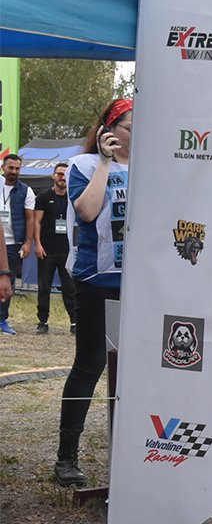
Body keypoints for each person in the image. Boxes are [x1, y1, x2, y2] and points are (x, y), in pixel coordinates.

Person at [53, 99, 131, 488]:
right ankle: (66, 457)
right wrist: (104, 161)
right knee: (90, 365)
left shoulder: (155, 167)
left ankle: (134, 452)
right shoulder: (83, 166)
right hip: (97, 281)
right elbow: (86, 211)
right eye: (130, 126)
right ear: (110, 130)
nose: (137, 134)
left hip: (141, 284)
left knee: (134, 369)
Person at [34, 162, 77, 335]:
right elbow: (36, 221)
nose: (62, 177)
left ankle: (74, 322)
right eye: (59, 174)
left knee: (70, 288)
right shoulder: (44, 197)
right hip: (47, 250)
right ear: (53, 176)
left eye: (65, 174)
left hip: (66, 250)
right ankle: (42, 321)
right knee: (44, 287)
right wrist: (38, 244)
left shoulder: (73, 197)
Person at [0, 153, 35, 335]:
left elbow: (30, 219)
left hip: (12, 244)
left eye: (17, 168)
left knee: (8, 284)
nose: (14, 171)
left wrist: (28, 243)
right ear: (3, 168)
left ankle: (2, 320)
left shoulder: (26, 191)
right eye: (10, 167)